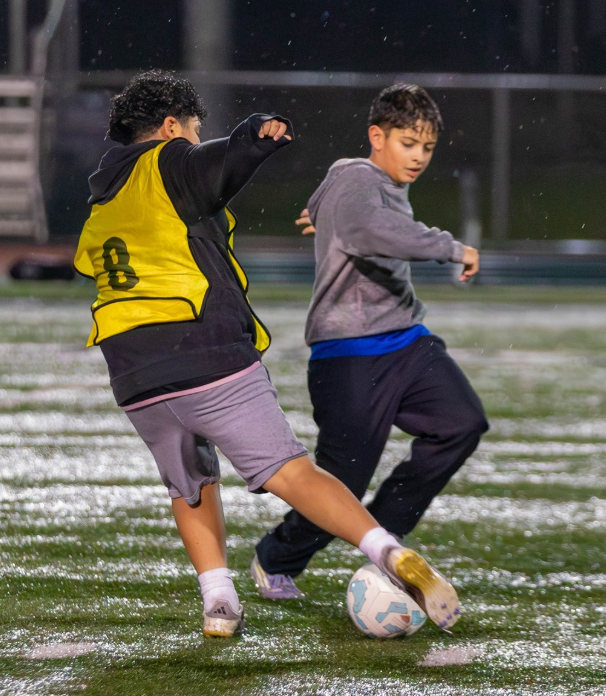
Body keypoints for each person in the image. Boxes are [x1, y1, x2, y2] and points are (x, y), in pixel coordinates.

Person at [74, 71, 461, 639]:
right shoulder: (169, 160)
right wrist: (254, 137)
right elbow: (211, 164)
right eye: (190, 127)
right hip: (201, 348)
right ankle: (388, 552)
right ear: (170, 125)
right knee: (292, 472)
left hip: (133, 372)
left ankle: (219, 600)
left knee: (190, 482)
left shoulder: (102, 197)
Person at [252, 83, 489, 601]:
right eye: (408, 144)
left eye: (427, 148)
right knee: (340, 484)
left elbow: (343, 213)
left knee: (462, 424)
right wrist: (451, 248)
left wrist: (325, 214)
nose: (419, 157)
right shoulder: (359, 176)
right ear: (376, 136)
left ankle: (383, 541)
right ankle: (275, 558)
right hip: (349, 355)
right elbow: (367, 230)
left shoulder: (362, 183)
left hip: (407, 342)